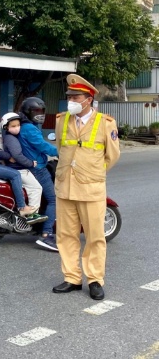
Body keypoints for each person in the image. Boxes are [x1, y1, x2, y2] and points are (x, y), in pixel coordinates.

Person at [52, 74, 120, 301]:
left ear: (88, 99)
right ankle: (71, 278)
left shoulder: (105, 123)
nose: (70, 99)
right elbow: (61, 148)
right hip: (65, 187)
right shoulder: (62, 120)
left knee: (94, 237)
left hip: (90, 188)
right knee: (66, 235)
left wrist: (92, 173)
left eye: (75, 96)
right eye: (69, 95)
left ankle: (95, 280)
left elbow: (112, 155)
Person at [17, 97, 59, 251]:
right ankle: (46, 234)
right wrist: (62, 151)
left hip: (31, 164)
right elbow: (42, 146)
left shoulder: (27, 125)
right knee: (54, 199)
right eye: (36, 111)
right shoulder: (29, 128)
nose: (40, 114)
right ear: (28, 112)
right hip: (37, 168)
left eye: (41, 111)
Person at [0, 112, 44, 218]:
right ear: (6, 127)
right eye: (13, 126)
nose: (17, 128)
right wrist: (30, 163)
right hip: (19, 169)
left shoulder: (11, 137)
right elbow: (17, 155)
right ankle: (32, 214)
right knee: (36, 188)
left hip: (16, 168)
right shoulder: (11, 139)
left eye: (18, 125)